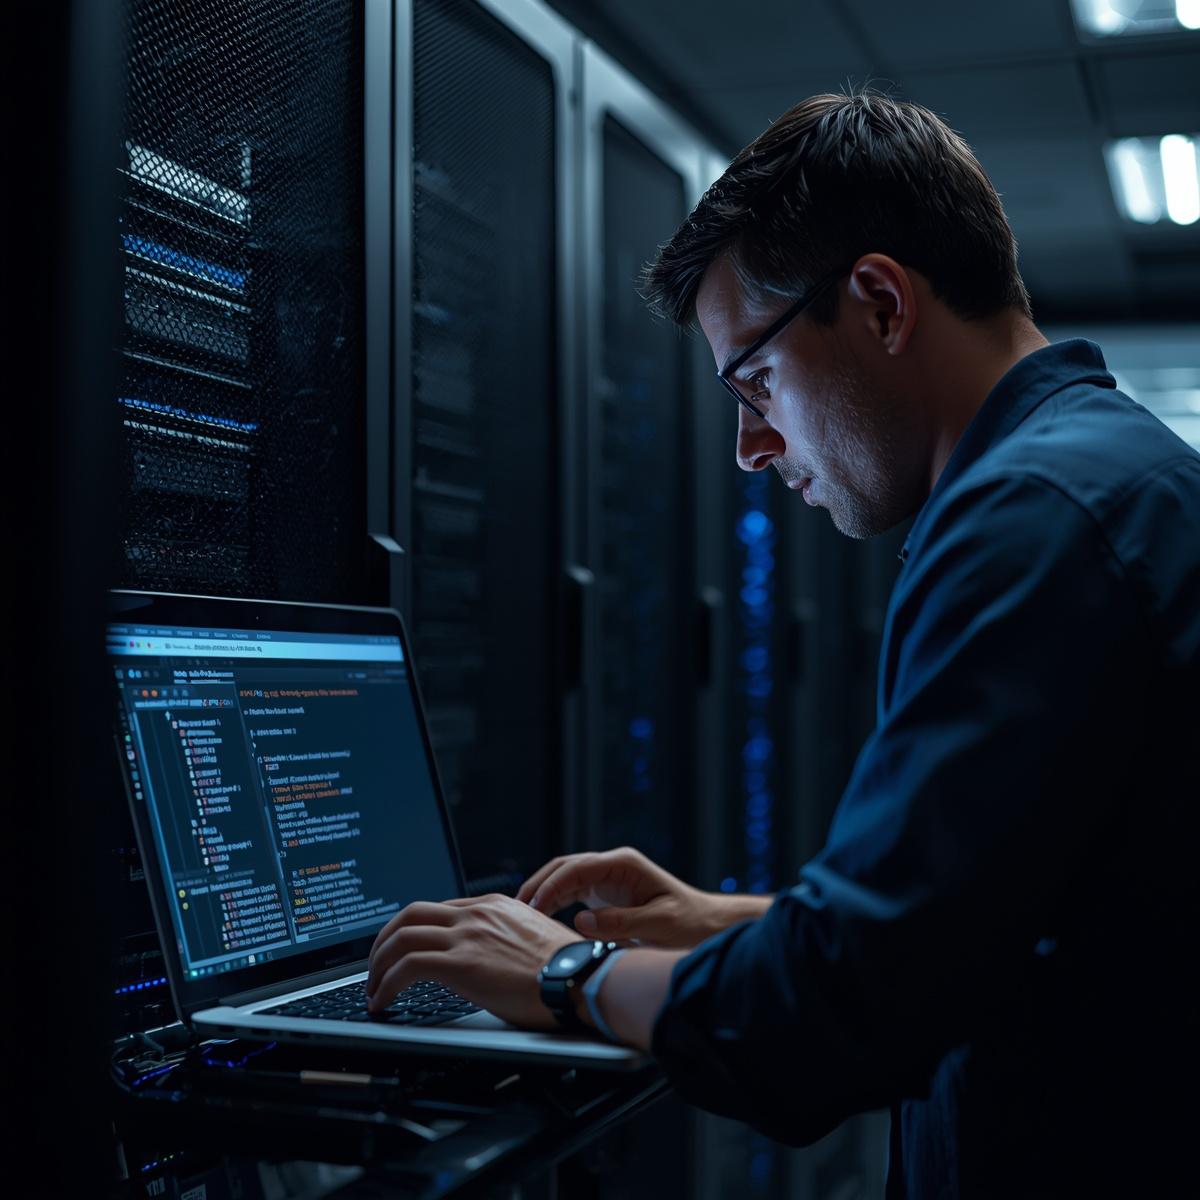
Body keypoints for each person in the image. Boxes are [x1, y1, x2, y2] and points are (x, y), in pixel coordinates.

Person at [365, 92, 1199, 1196]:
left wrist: (569, 972)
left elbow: (843, 1017)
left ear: (880, 303)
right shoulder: (1102, 476)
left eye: (756, 381)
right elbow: (1034, 930)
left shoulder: (1034, 518)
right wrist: (729, 925)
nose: (750, 447)